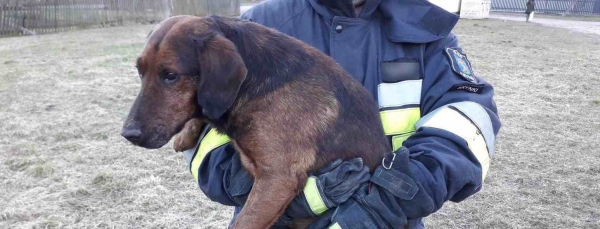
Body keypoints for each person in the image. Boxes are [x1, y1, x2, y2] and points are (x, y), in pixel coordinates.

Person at [182, 0, 501, 228]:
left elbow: (468, 121)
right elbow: (201, 122)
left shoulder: (425, 32)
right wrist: (273, 192)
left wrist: (384, 206)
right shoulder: (259, 27)